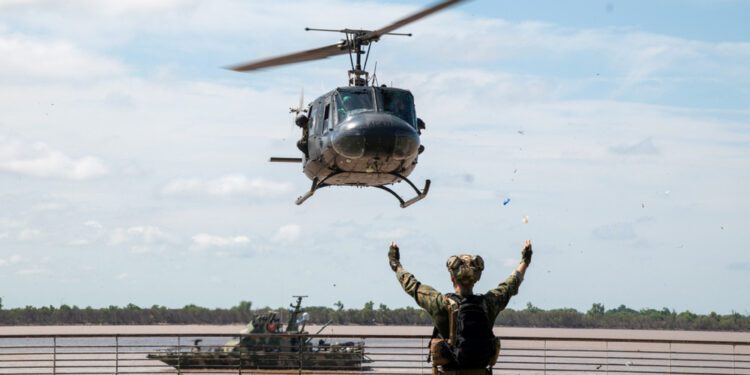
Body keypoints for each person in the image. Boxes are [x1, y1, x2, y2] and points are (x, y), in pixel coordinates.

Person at [388, 240, 532, 375]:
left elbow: (413, 286)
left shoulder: (439, 303)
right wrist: (525, 260)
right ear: (476, 280)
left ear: (452, 279)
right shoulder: (489, 303)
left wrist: (396, 263)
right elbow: (511, 284)